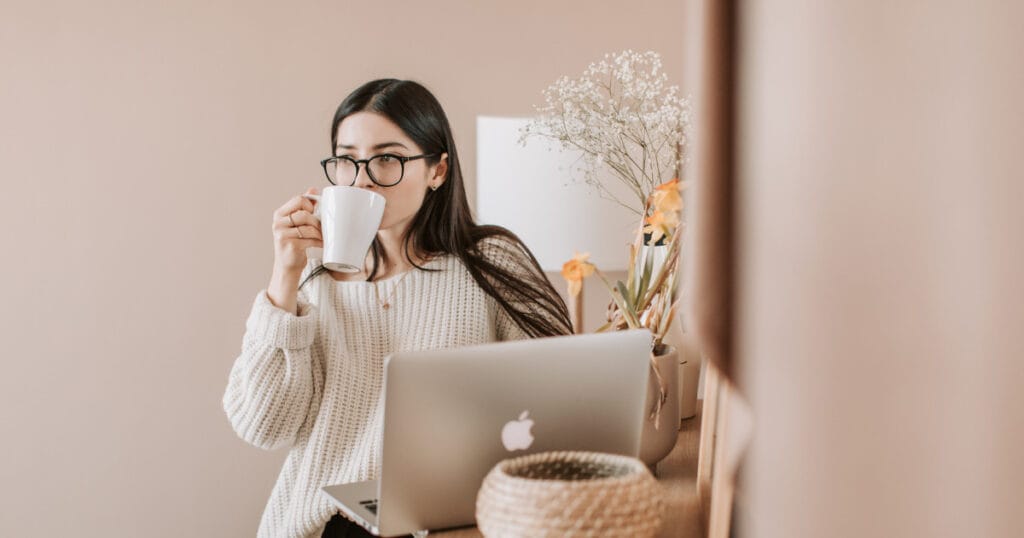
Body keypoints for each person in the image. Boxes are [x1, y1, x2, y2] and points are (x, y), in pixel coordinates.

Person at [222, 79, 573, 538]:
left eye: (387, 157)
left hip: (449, 520)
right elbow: (264, 427)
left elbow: (561, 400)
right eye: (347, 160)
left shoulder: (489, 263)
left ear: (438, 171)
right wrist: (284, 276)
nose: (363, 177)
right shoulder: (313, 286)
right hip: (322, 522)